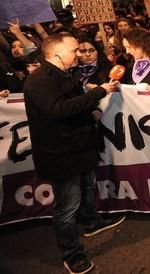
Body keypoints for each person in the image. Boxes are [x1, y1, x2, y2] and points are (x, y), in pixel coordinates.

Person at [23, 33, 124, 274]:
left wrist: (90, 112)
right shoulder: (39, 81)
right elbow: (58, 109)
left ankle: (92, 222)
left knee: (88, 187)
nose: (78, 54)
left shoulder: (67, 74)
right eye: (74, 50)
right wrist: (98, 93)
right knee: (67, 208)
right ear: (57, 54)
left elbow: (74, 103)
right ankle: (72, 254)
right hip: (60, 154)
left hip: (80, 147)